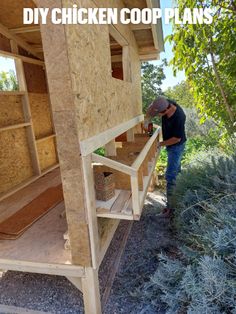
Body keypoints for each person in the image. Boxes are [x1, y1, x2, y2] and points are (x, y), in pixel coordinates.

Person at [145, 96, 187, 218]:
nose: (158, 116)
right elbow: (151, 111)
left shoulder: (179, 116)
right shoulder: (163, 103)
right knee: (177, 172)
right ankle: (179, 196)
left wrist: (159, 144)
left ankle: (170, 209)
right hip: (171, 144)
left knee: (170, 175)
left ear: (166, 110)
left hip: (177, 146)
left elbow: (177, 138)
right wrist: (147, 122)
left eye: (159, 114)